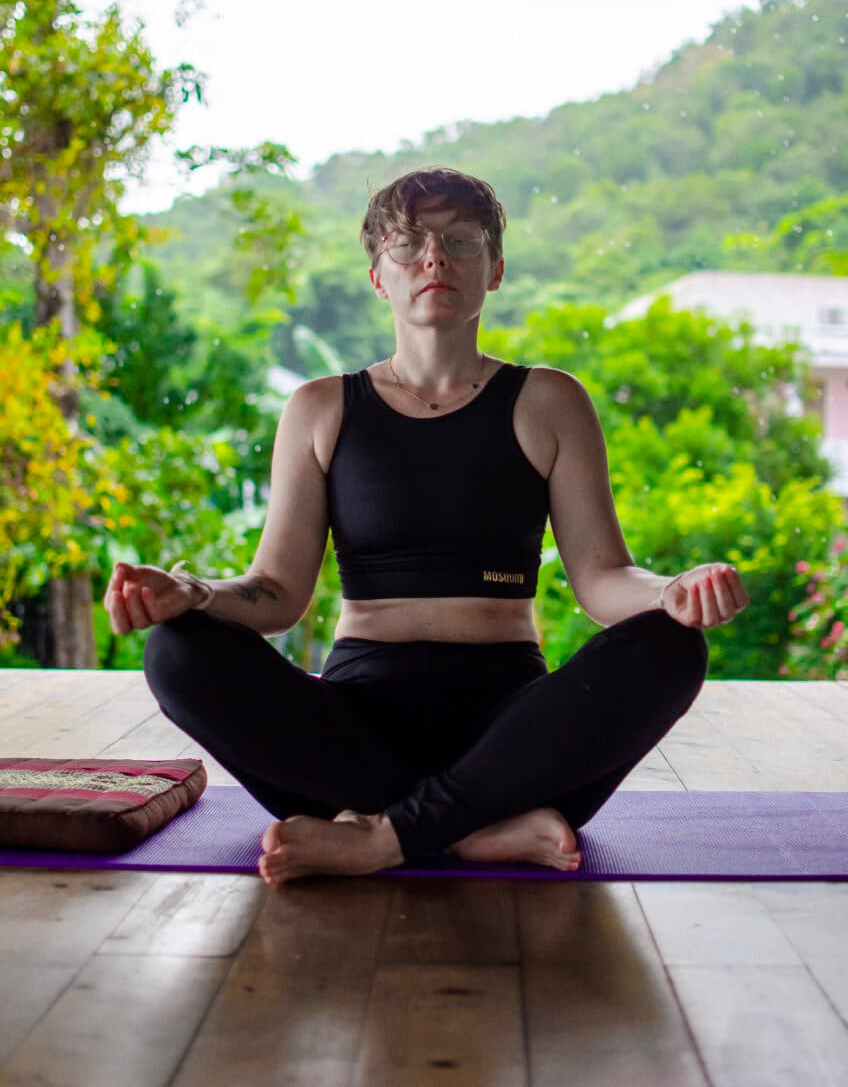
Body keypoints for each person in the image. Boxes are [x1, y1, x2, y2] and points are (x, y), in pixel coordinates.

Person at [105, 166, 749, 887]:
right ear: (379, 276)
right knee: (175, 651)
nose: (434, 259)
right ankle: (469, 829)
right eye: (408, 245)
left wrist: (675, 592)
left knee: (671, 648)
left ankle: (382, 834)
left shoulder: (550, 401)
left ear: (496, 269)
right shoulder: (321, 408)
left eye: (460, 242)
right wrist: (189, 594)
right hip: (351, 733)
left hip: (513, 737)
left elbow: (603, 583)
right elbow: (276, 594)